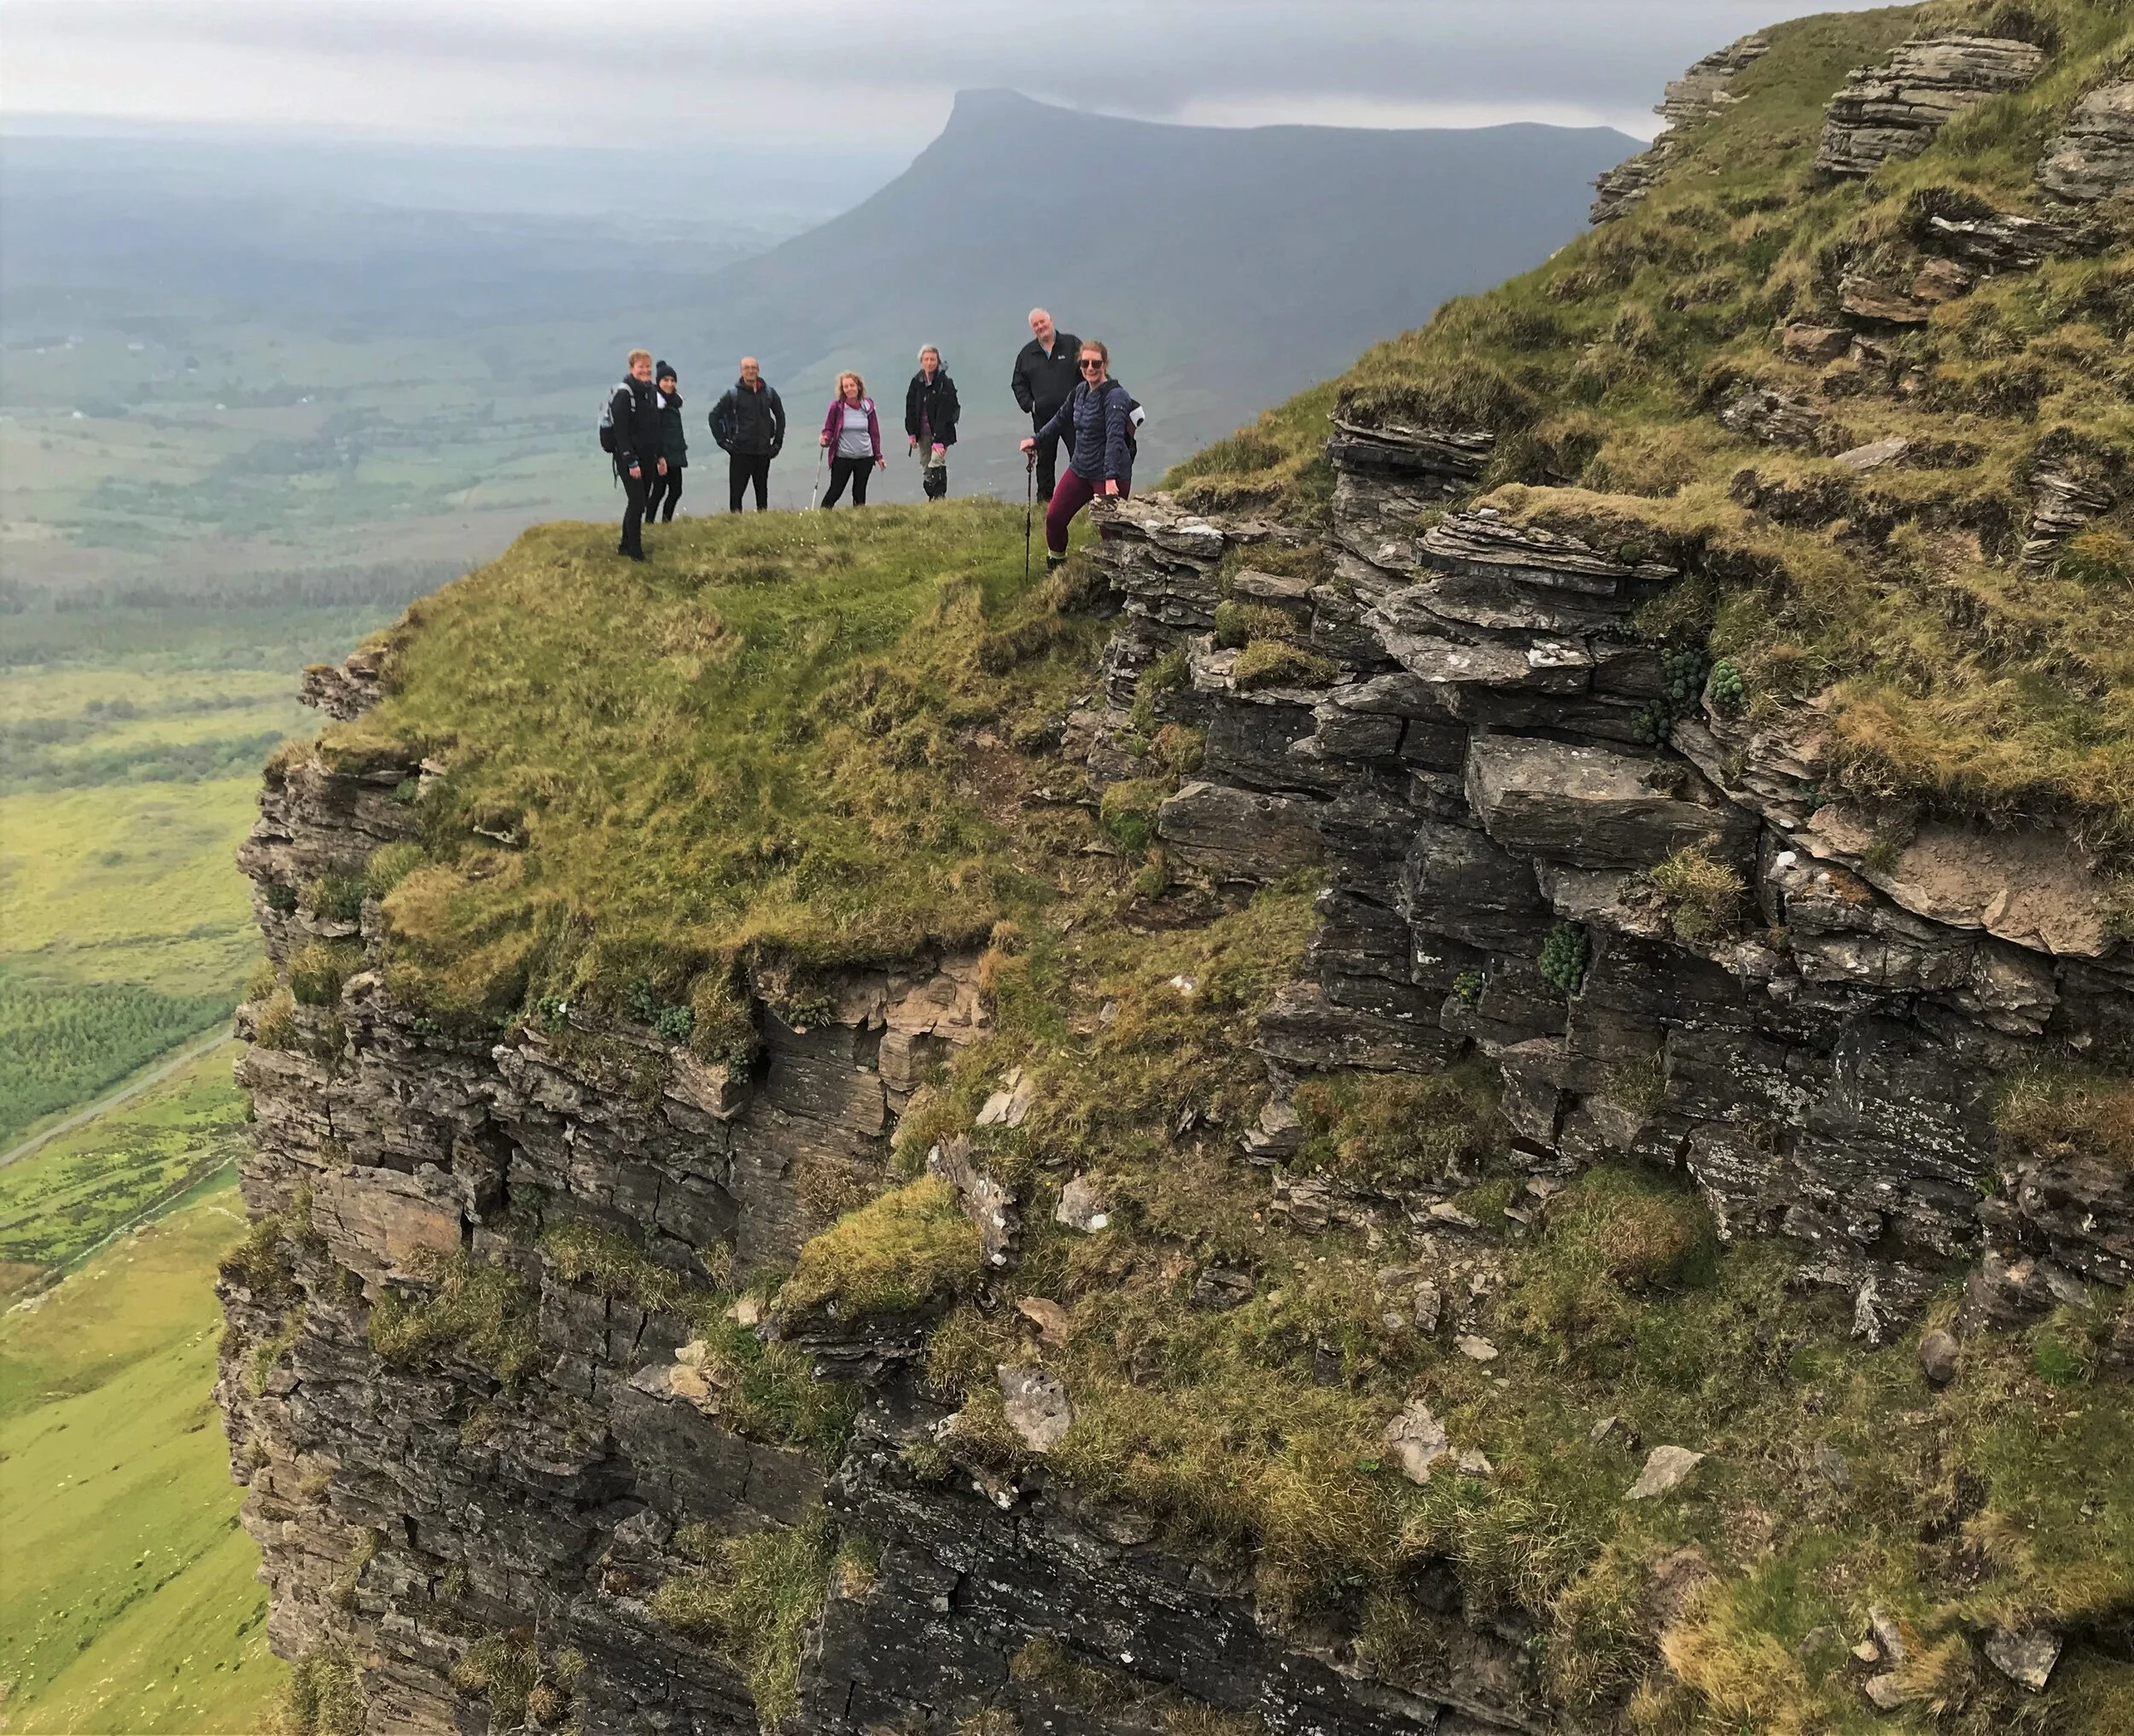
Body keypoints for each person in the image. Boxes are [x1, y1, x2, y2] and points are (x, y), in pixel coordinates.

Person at [1022, 339, 1134, 570]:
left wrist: (1111, 478)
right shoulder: (1079, 392)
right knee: (1054, 518)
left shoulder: (1115, 397)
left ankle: (1117, 578)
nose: (1090, 368)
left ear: (1105, 364)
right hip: (1080, 468)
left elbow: (1114, 438)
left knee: (1109, 529)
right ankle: (1057, 565)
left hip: (1108, 474)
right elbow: (1060, 419)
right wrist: (1036, 440)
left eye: (1096, 363)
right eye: (1085, 363)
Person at [1011, 308, 1081, 504]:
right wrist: (1030, 405)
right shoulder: (1026, 354)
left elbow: (1087, 370)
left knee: (1080, 457)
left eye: (1043, 322)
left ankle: (1085, 500)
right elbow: (1018, 383)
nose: (1040, 326)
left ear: (1051, 321)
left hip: (1073, 416)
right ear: (1033, 329)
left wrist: (1087, 399)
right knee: (1045, 463)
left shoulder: (1072, 344)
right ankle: (1045, 503)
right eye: (1036, 324)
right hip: (1044, 419)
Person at [606, 349, 665, 560]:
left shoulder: (650, 391)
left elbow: (654, 427)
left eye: (648, 366)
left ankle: (625, 545)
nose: (646, 370)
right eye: (641, 367)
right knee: (638, 503)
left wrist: (660, 456)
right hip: (629, 459)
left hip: (649, 456)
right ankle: (636, 554)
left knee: (638, 502)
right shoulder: (624, 395)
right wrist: (630, 461)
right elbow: (620, 432)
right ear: (632, 368)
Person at [708, 357, 785, 512]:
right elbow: (713, 416)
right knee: (736, 494)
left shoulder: (769, 393)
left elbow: (780, 416)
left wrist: (777, 443)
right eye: (747, 368)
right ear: (741, 371)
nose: (751, 371)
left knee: (762, 492)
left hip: (763, 451)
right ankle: (735, 526)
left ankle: (763, 524)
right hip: (740, 451)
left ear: (758, 370)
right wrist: (723, 443)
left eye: (753, 367)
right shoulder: (733, 394)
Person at [818, 371, 884, 507]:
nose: (849, 389)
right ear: (842, 389)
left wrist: (878, 456)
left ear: (859, 386)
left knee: (860, 492)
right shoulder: (836, 407)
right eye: (846, 387)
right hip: (842, 457)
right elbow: (829, 428)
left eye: (852, 385)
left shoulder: (868, 406)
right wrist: (825, 438)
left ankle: (858, 520)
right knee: (836, 490)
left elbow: (874, 432)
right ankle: (822, 516)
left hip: (865, 456)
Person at [904, 346, 959, 500]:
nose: (929, 363)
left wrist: (939, 439)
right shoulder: (916, 383)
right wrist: (912, 433)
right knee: (925, 464)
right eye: (926, 359)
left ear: (938, 361)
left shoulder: (944, 383)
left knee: (936, 461)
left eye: (932, 359)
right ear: (921, 362)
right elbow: (910, 408)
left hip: (941, 432)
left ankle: (939, 495)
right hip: (922, 432)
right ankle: (931, 495)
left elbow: (945, 413)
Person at [648, 362, 687, 521]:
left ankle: (666, 522)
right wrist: (659, 456)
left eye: (672, 380)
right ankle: (649, 523)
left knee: (676, 491)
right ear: (658, 381)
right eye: (666, 380)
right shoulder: (654, 404)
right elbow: (653, 432)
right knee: (658, 491)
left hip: (676, 453)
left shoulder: (674, 402)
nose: (670, 384)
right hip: (661, 454)